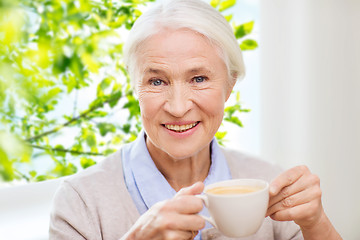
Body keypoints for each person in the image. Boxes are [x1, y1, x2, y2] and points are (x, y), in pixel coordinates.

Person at [49, 0, 342, 239]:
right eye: (156, 82)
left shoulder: (267, 185)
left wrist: (316, 224)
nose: (178, 108)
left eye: (199, 78)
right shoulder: (80, 202)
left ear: (229, 85)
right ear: (134, 87)